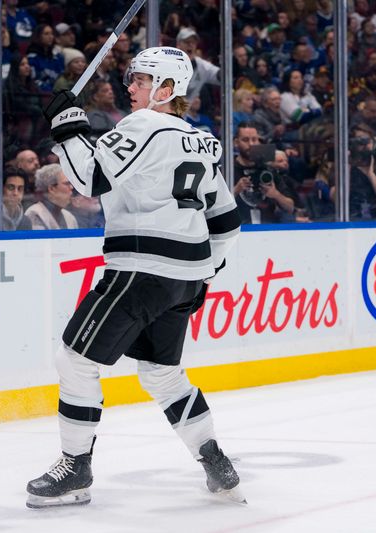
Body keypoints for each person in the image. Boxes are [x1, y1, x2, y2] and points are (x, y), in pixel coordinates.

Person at [28, 46, 243, 508]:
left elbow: (88, 178)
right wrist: (205, 274)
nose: (131, 86)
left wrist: (67, 126)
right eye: (131, 78)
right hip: (184, 276)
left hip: (143, 268)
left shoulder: (144, 124)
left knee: (75, 361)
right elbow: (226, 219)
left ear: (167, 89)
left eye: (142, 80)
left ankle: (75, 468)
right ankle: (214, 459)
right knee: (163, 373)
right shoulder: (198, 139)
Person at [24, 163, 79, 230]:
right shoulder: (34, 214)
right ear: (52, 189)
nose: (71, 187)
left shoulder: (70, 218)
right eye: (67, 183)